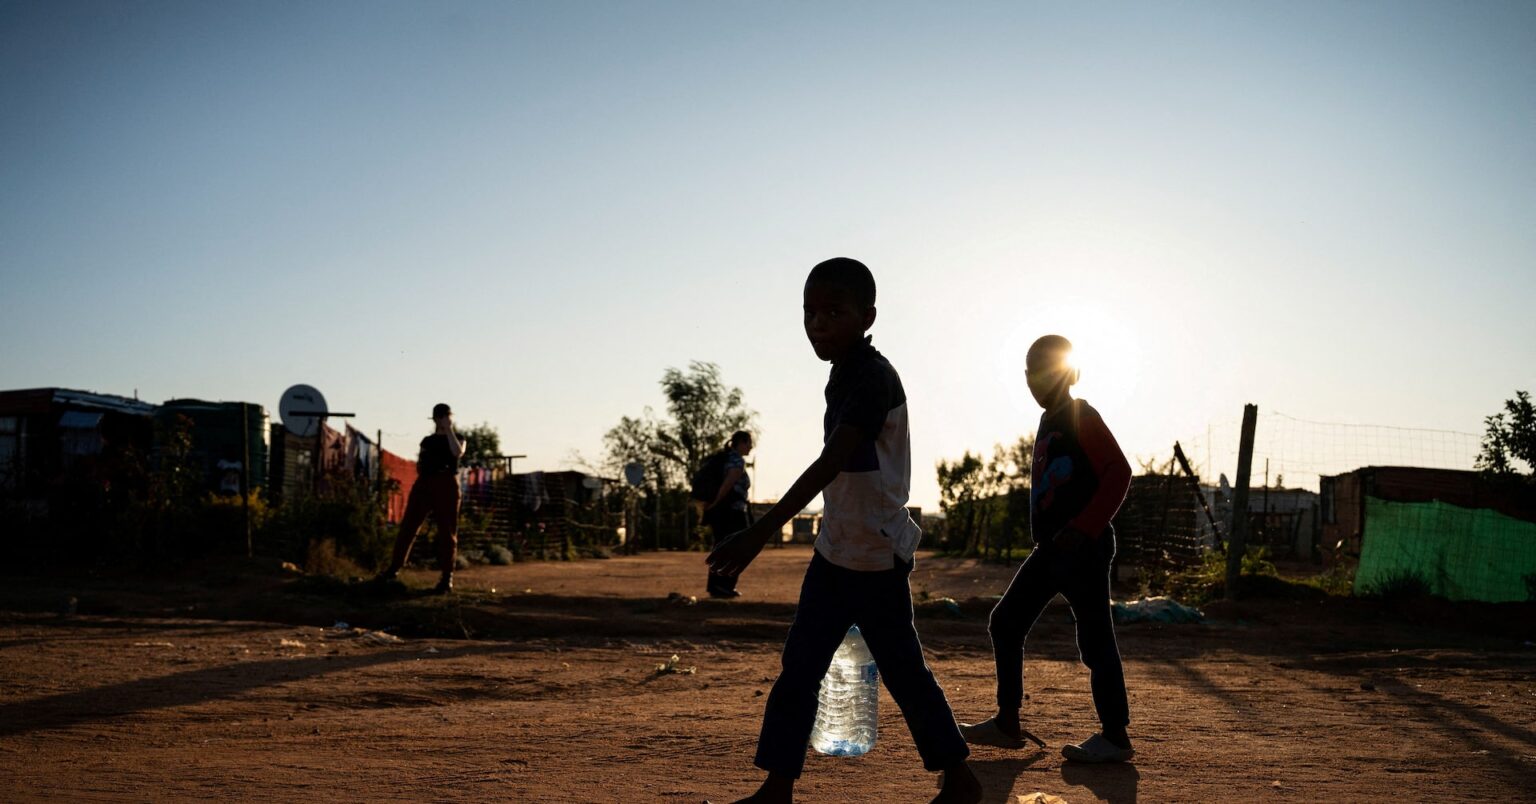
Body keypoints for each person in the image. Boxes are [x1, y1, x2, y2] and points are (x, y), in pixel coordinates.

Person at [707, 258, 982, 804]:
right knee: (800, 669)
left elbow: (832, 461)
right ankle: (777, 789)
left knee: (903, 671)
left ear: (867, 315)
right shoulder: (845, 372)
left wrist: (760, 531)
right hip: (838, 550)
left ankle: (960, 780)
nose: (818, 323)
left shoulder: (872, 378)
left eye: (833, 311)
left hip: (875, 557)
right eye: (809, 311)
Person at [960, 335, 1135, 763]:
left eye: (1048, 370)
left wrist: (1084, 528)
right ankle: (1007, 722)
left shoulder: (1080, 415)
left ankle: (1115, 737)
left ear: (1071, 373)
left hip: (1082, 549)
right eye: (1031, 372)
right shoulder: (1048, 421)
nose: (1038, 380)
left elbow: (1119, 471)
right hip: (1052, 551)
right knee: (1005, 622)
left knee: (1095, 641)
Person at [376, 403, 465, 594]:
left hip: (447, 483)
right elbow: (421, 463)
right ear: (434, 419)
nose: (443, 419)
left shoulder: (458, 438)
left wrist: (449, 429)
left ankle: (447, 577)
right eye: (440, 416)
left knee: (447, 531)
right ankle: (394, 569)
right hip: (425, 483)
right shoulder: (427, 441)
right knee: (409, 526)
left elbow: (457, 452)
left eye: (446, 416)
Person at [704, 431, 754, 598]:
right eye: (748, 443)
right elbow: (727, 485)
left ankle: (717, 586)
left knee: (721, 546)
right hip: (732, 512)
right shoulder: (736, 461)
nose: (750, 446)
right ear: (740, 443)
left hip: (724, 512)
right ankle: (724, 585)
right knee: (736, 549)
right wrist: (716, 502)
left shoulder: (726, 458)